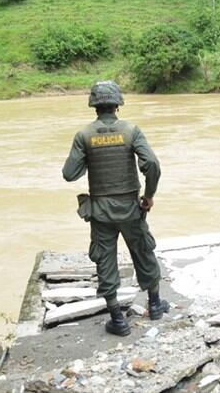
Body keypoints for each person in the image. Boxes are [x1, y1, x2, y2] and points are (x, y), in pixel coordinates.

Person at [62, 81, 168, 336]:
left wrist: (89, 157)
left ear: (94, 105)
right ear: (118, 104)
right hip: (131, 208)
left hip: (100, 212)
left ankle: (118, 320)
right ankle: (154, 305)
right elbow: (151, 164)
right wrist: (149, 196)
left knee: (105, 259)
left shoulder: (84, 136)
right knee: (143, 250)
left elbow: (69, 174)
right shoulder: (131, 131)